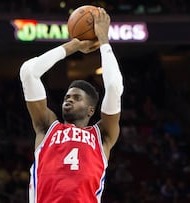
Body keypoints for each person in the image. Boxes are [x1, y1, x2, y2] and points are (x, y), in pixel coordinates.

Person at [19, 8, 123, 203]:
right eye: (68, 96)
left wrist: (103, 41)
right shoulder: (47, 127)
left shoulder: (102, 135)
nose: (69, 99)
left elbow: (114, 87)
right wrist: (73, 45)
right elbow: (28, 72)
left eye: (76, 97)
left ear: (91, 110)